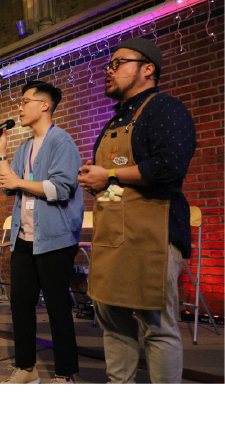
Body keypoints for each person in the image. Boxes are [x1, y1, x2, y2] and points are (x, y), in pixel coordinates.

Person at [78, 38, 197, 383]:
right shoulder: (115, 119)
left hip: (153, 237)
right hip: (112, 237)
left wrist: (109, 176)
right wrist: (99, 183)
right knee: (113, 323)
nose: (109, 70)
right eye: (109, 64)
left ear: (148, 69)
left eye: (118, 63)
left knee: (158, 328)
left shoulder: (165, 108)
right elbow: (118, 185)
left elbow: (169, 166)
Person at [0, 81, 84, 384]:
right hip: (24, 238)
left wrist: (18, 182)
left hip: (54, 239)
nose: (19, 108)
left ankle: (64, 374)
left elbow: (60, 188)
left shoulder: (61, 142)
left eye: (24, 101)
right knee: (20, 304)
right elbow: (8, 185)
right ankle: (27, 369)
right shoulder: (25, 147)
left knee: (58, 307)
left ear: (44, 105)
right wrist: (1, 153)